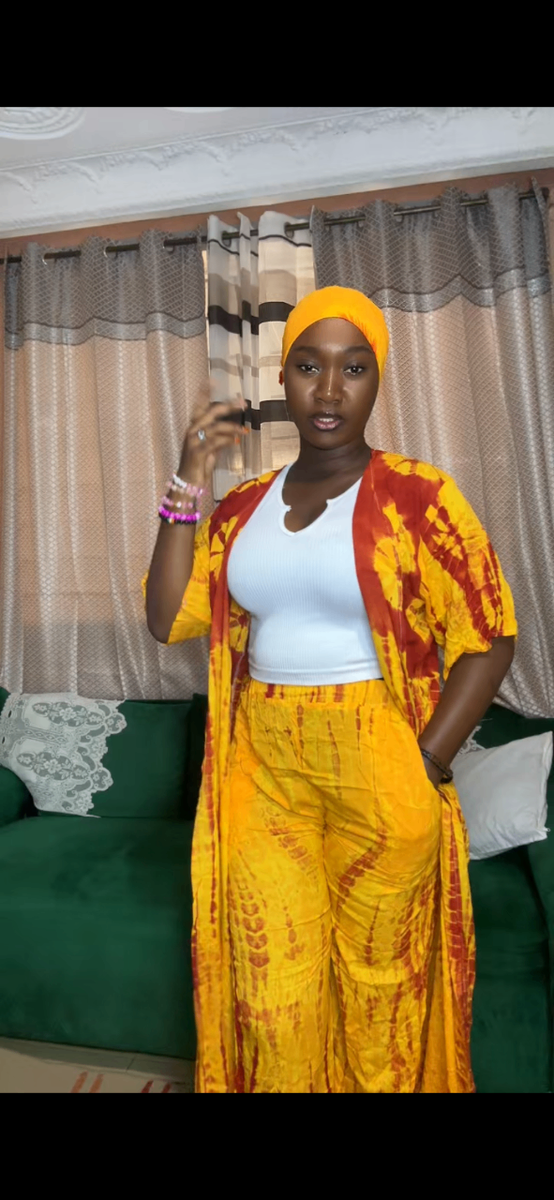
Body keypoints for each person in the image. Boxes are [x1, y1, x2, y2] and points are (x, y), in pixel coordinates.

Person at [144, 286, 516, 1094]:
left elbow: (489, 636)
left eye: (354, 368)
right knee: (270, 993)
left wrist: (428, 758)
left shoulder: (421, 496)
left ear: (378, 379)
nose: (329, 390)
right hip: (263, 767)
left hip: (381, 758)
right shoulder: (242, 506)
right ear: (285, 377)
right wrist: (188, 478)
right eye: (309, 367)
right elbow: (168, 618)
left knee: (380, 994)